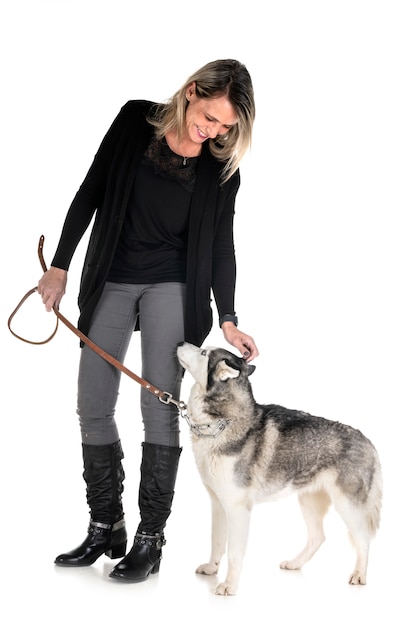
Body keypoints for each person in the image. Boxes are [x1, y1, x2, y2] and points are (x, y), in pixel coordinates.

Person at [37, 59, 259, 583]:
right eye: (210, 117)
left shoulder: (222, 166)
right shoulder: (135, 120)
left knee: (157, 404)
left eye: (226, 127)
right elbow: (91, 190)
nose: (215, 132)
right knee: (91, 402)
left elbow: (222, 246)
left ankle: (149, 541)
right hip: (112, 273)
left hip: (173, 286)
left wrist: (228, 318)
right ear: (189, 94)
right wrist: (61, 266)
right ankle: (105, 525)